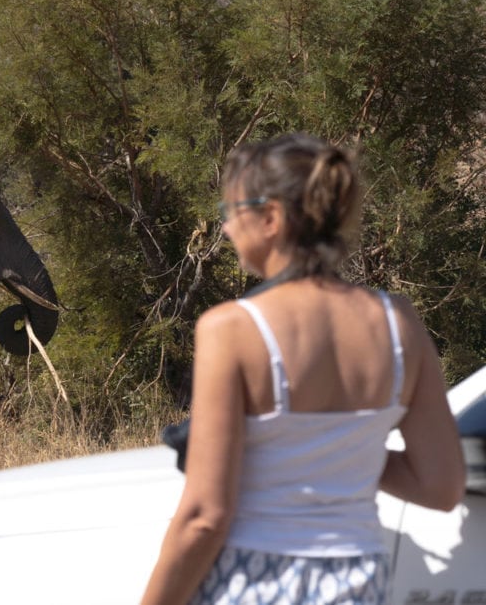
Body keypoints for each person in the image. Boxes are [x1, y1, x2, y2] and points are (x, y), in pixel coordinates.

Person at [141, 132, 466, 604]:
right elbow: (439, 486)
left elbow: (205, 517)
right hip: (361, 579)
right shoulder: (399, 324)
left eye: (231, 212)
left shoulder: (232, 328)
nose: (227, 228)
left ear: (271, 216)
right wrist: (339, 455)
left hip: (254, 578)